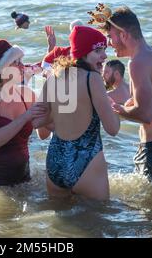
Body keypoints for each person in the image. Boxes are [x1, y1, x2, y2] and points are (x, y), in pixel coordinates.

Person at [33, 25, 120, 201]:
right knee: (99, 222)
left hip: (55, 161)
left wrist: (59, 117)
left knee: (62, 225)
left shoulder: (53, 78)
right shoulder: (93, 79)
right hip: (86, 162)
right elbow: (113, 129)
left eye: (104, 49)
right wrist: (116, 108)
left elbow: (36, 123)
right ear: (83, 53)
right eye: (98, 50)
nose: (104, 56)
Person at [102, 5, 152, 187]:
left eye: (110, 37)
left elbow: (145, 115)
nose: (109, 43)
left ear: (123, 35)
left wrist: (118, 109)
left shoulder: (137, 63)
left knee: (150, 213)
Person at [0, 40, 51, 186]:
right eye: (15, 62)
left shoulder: (26, 93)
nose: (22, 66)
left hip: (22, 174)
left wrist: (49, 105)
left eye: (21, 61)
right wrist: (25, 117)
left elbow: (43, 134)